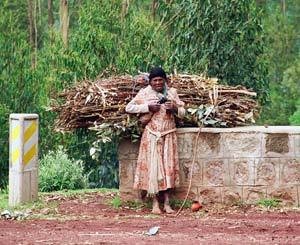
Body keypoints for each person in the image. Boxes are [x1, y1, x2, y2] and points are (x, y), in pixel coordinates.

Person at [125, 67, 185, 214]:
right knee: (154, 169)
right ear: (150, 82)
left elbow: (183, 112)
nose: (158, 83)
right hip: (152, 136)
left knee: (167, 169)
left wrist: (175, 108)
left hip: (169, 135)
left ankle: (167, 203)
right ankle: (155, 204)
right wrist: (148, 107)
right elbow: (129, 107)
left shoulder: (172, 93)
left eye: (160, 80)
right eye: (155, 80)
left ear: (165, 80)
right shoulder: (145, 93)